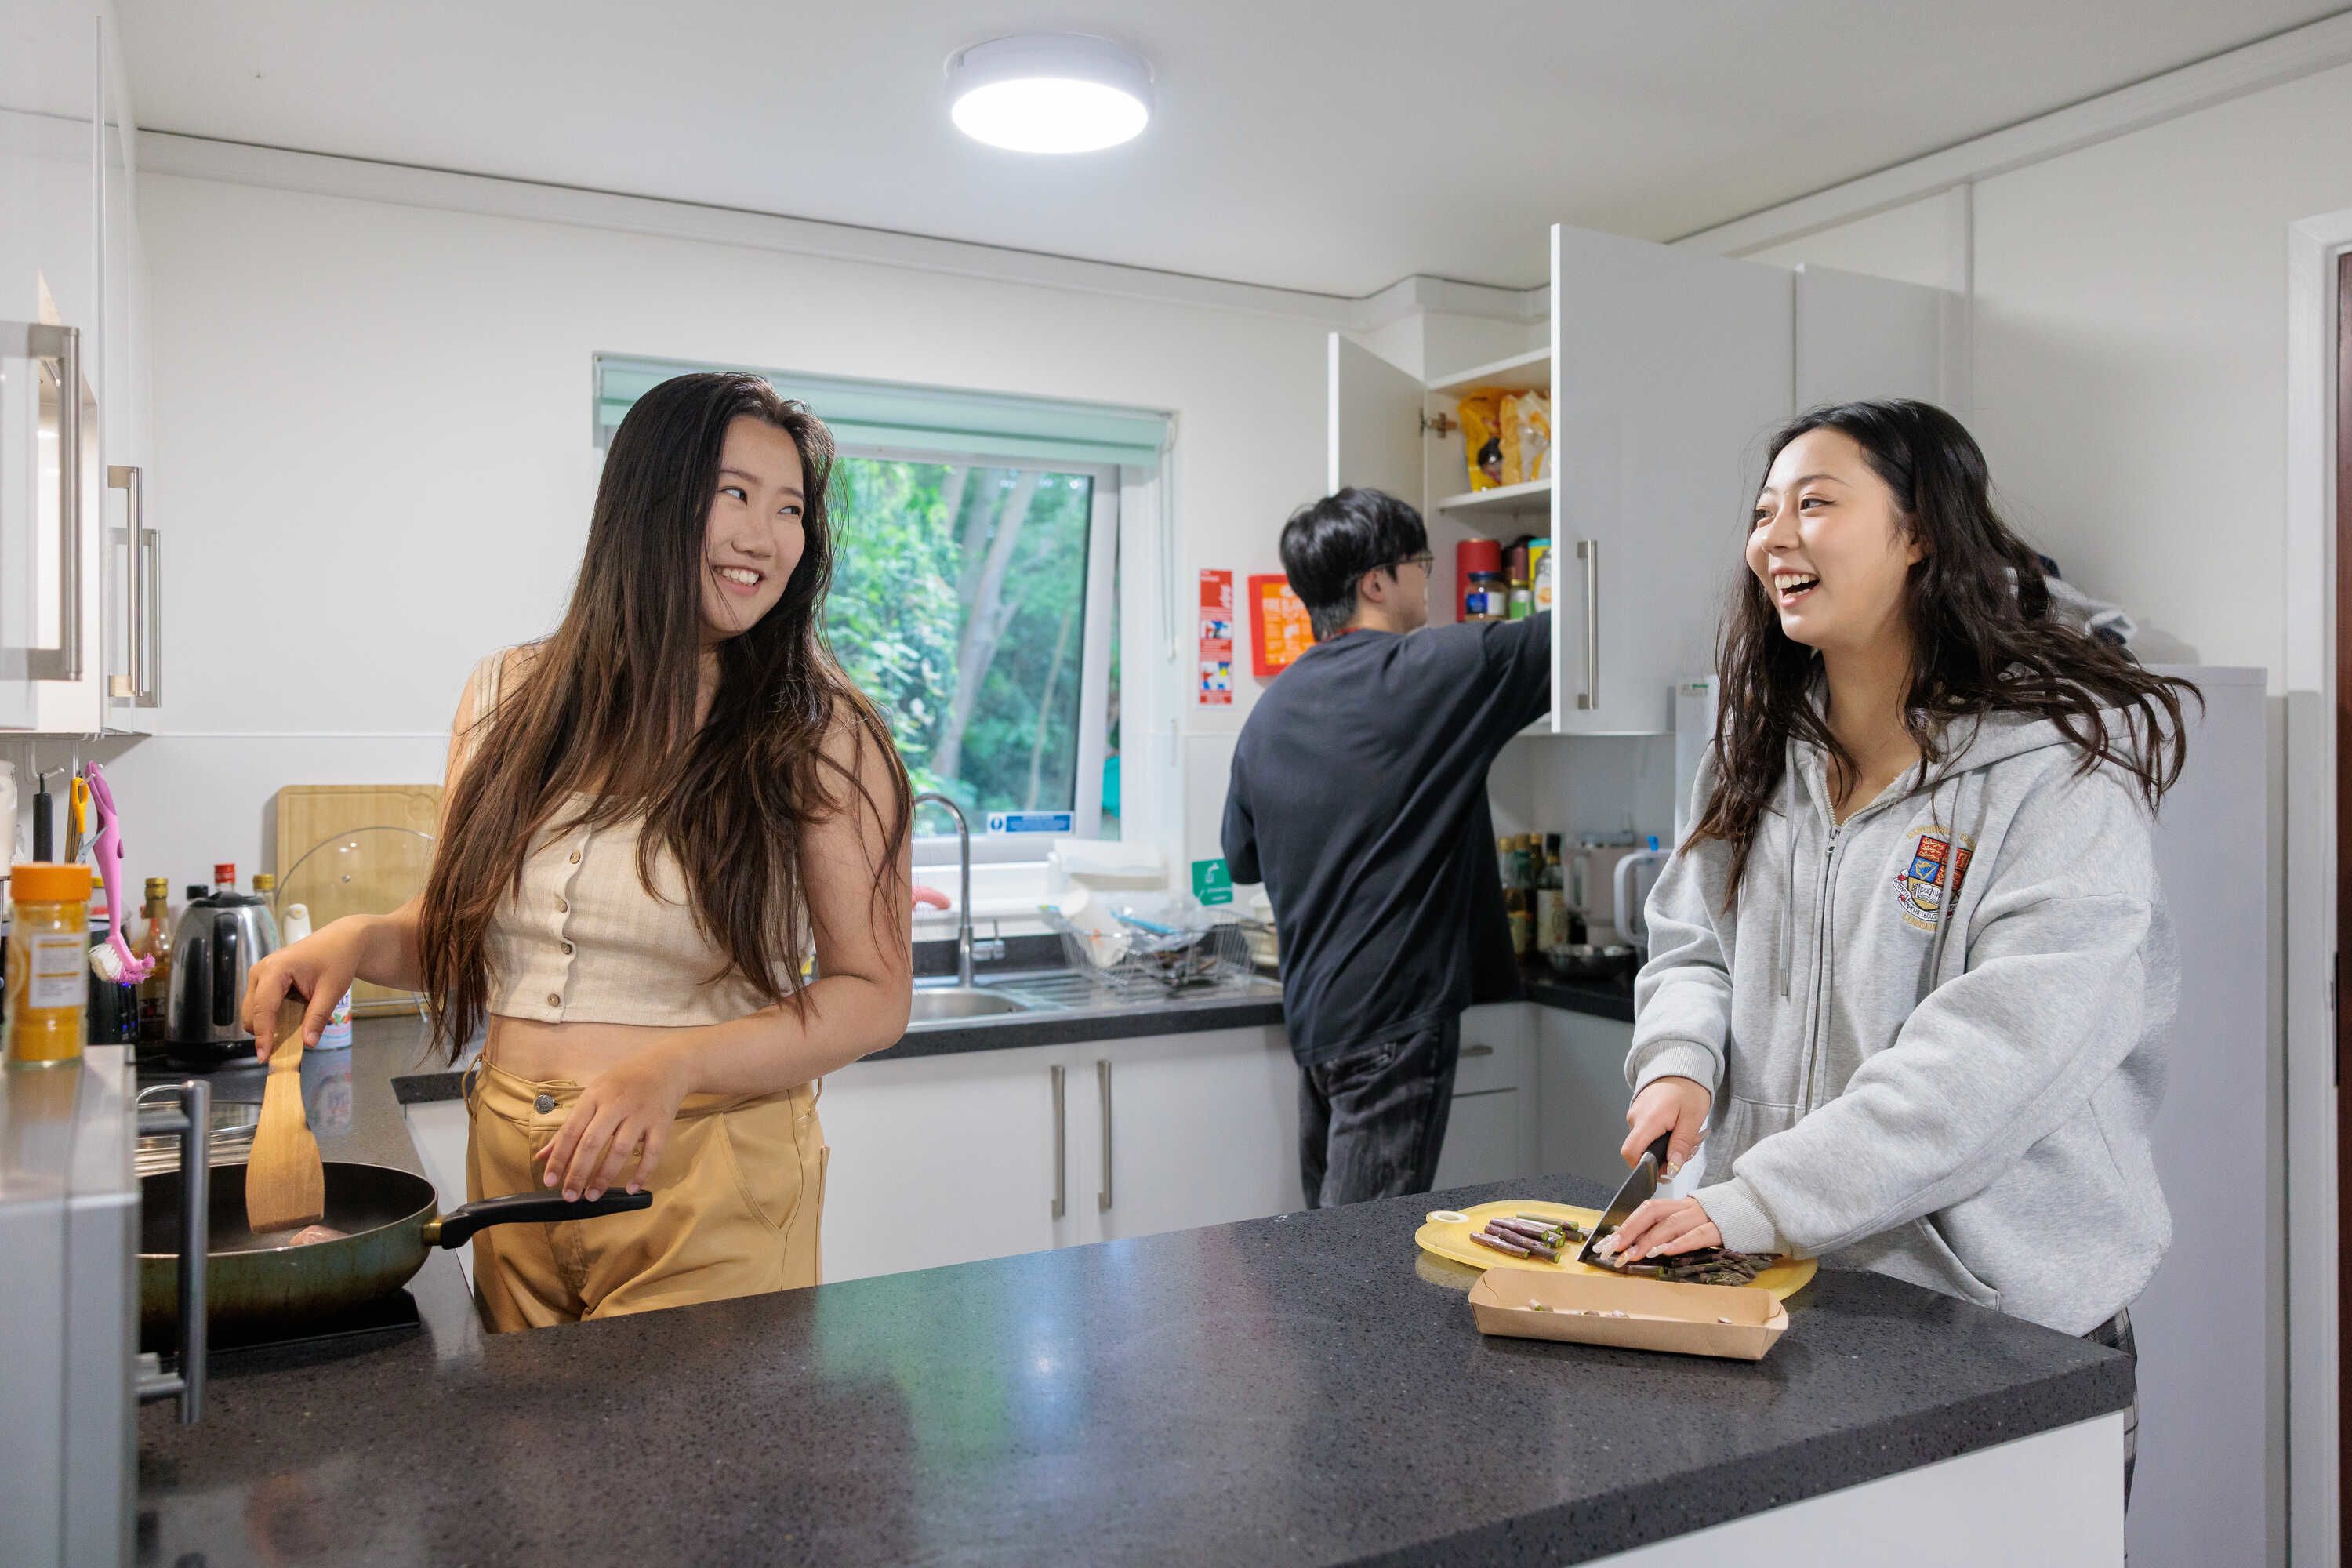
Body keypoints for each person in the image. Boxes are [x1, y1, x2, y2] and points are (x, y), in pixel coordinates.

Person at [244, 372, 913, 1330]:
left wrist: (675, 1067)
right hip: (514, 1165)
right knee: (535, 1479)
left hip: (705, 1167)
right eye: (733, 494)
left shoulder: (817, 729)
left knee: (678, 1478)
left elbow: (875, 992)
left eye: (790, 509)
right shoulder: (508, 693)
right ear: (646, 500)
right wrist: (355, 940)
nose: (766, 538)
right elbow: (464, 931)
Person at [1608, 399, 2192, 1496]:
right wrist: (1681, 1059)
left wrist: (1748, 1202)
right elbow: (1691, 941)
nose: (1775, 537)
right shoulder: (1756, 754)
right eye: (1764, 511)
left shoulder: (2057, 778)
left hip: (2000, 1325)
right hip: (1791, 1291)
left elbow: (1988, 1064)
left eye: (1816, 504)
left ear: (1921, 531)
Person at [1222, 488, 1548, 1209]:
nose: (1427, 579)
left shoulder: (1271, 710)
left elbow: (1242, 859)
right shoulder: (1438, 670)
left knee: (1331, 1242)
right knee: (1360, 1266)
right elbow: (1578, 631)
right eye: (1420, 563)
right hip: (1396, 1021)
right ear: (1376, 582)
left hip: (1316, 1023)